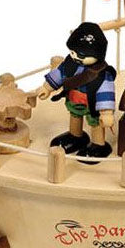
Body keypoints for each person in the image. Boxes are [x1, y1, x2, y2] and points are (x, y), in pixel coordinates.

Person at [35, 22, 116, 159]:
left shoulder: (102, 73)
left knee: (96, 123)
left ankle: (98, 144)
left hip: (92, 104)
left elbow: (105, 92)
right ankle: (75, 136)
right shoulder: (69, 64)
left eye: (82, 55)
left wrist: (106, 112)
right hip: (74, 99)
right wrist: (47, 87)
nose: (76, 57)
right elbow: (59, 74)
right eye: (73, 52)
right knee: (75, 116)